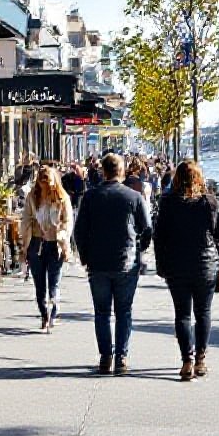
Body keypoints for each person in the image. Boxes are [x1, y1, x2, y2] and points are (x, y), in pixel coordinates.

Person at [73, 153, 153, 375]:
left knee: (102, 312)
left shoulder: (90, 197)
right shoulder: (133, 197)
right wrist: (139, 250)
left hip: (97, 262)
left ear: (103, 171)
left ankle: (105, 357)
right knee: (123, 311)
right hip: (125, 261)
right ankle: (121, 357)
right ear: (122, 171)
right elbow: (147, 229)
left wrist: (85, 256)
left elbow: (79, 231)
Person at [153, 160, 219, 381]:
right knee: (203, 312)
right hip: (205, 266)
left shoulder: (168, 203)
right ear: (199, 178)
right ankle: (200, 359)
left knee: (182, 314)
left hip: (176, 265)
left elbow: (159, 237)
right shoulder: (210, 203)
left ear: (177, 178)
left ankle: (186, 361)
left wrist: (161, 264)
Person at [20, 165, 74, 331]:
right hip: (36, 243)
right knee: (39, 284)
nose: (45, 186)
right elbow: (26, 218)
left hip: (55, 244)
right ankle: (44, 314)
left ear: (54, 181)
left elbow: (68, 221)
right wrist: (24, 242)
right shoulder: (32, 197)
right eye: (42, 182)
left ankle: (53, 313)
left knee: (54, 283)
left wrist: (61, 234)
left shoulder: (62, 198)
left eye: (48, 182)